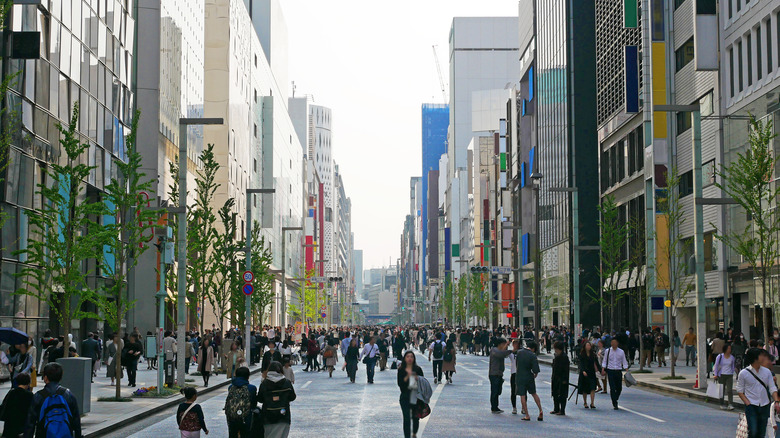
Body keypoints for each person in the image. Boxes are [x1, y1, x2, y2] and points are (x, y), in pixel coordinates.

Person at [24, 362, 82, 438]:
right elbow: (76, 421)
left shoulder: (39, 396)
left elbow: (30, 423)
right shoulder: (68, 394)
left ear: (45, 378)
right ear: (60, 377)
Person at [737, 348, 780, 438]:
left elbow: (772, 387)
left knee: (761, 432)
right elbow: (740, 391)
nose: (763, 358)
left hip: (764, 405)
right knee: (753, 431)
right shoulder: (744, 373)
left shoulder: (767, 372)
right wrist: (747, 403)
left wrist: (776, 401)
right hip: (752, 405)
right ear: (755, 358)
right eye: (761, 356)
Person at [257, 361, 296, 438]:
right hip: (283, 416)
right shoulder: (286, 382)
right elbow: (292, 397)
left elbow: (260, 399)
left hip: (268, 416)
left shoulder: (264, 383)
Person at [397, 351, 424, 438]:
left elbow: (422, 383)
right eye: (407, 356)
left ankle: (414, 434)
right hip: (405, 396)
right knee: (406, 418)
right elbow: (400, 384)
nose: (409, 358)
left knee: (415, 418)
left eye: (411, 357)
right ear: (404, 358)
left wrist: (417, 378)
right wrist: (408, 376)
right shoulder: (401, 370)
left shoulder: (418, 369)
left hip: (415, 397)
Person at [225, 366, 256, 437]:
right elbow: (253, 403)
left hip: (232, 418)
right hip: (246, 418)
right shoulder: (251, 388)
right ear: (248, 376)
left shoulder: (230, 387)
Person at [516, 341, 543, 421]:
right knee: (534, 393)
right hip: (529, 376)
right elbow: (535, 369)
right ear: (534, 348)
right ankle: (540, 410)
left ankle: (527, 415)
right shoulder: (533, 355)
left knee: (522, 395)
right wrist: (535, 375)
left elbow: (517, 363)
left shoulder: (519, 352)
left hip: (520, 376)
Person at [2, 372, 33, 437]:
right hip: (22, 428)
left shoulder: (11, 393)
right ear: (28, 383)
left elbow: (3, 408)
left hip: (9, 427)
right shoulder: (29, 395)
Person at [601, 337, 629, 410]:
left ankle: (616, 397)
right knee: (612, 387)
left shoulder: (621, 352)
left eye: (615, 342)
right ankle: (614, 402)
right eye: (612, 342)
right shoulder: (608, 351)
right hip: (610, 370)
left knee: (619, 388)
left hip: (618, 370)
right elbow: (605, 361)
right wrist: (603, 369)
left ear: (617, 343)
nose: (613, 344)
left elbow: (624, 361)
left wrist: (626, 369)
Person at [488, 337, 514, 414]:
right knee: (495, 391)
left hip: (499, 374)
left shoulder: (500, 350)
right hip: (494, 374)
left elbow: (503, 353)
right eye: (503, 344)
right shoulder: (494, 350)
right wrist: (511, 351)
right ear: (500, 344)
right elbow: (501, 354)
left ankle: (496, 406)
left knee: (498, 391)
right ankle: (494, 407)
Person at [578, 340, 602, 409]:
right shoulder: (582, 354)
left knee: (592, 388)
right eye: (587, 345)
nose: (589, 347)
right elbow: (581, 364)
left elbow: (596, 363)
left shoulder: (593, 354)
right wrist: (583, 371)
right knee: (585, 389)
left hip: (591, 372)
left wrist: (600, 370)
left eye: (589, 346)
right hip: (584, 373)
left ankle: (592, 403)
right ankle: (585, 402)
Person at [713, 343, 736, 410]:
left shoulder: (732, 357)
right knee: (721, 390)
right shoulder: (720, 356)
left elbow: (732, 366)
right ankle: (721, 403)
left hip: (729, 375)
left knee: (729, 390)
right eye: (728, 348)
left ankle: (730, 404)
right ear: (725, 349)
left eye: (730, 348)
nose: (729, 350)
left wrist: (732, 372)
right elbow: (716, 365)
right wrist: (715, 374)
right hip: (721, 375)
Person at [550, 341, 570, 416]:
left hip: (562, 379)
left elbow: (565, 370)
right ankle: (556, 408)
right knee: (555, 393)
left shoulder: (564, 357)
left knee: (562, 394)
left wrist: (564, 379)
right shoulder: (557, 356)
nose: (555, 350)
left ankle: (562, 410)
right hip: (555, 377)